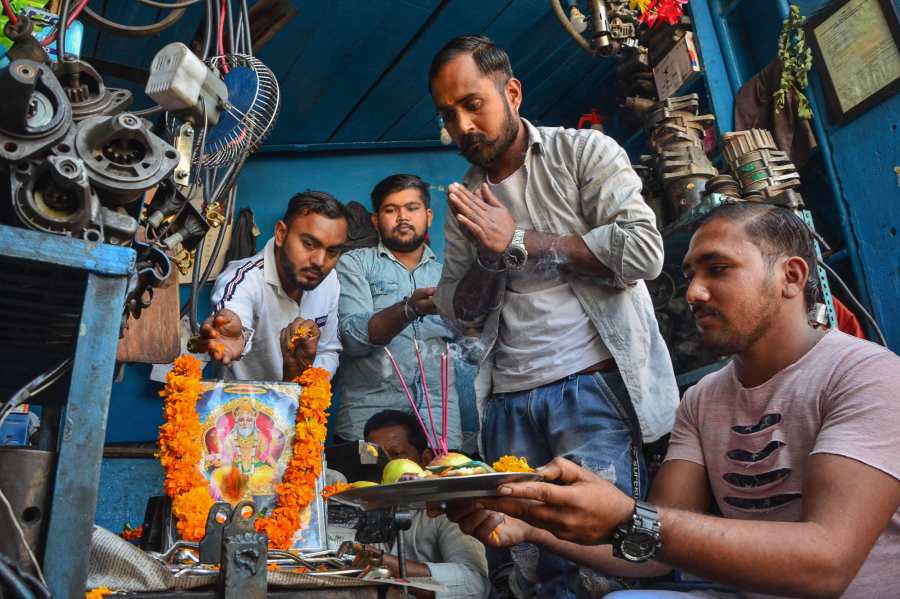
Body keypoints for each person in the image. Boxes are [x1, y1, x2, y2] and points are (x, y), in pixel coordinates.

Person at [440, 203, 900, 599]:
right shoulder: (703, 399)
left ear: (791, 276)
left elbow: (828, 563)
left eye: (718, 269)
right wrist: (530, 525)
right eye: (690, 275)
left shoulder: (865, 376)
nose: (694, 292)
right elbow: (653, 553)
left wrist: (627, 516)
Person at [429, 35, 679, 596]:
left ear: (512, 93)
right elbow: (459, 312)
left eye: (473, 104)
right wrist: (490, 257)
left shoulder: (584, 153)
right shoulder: (464, 199)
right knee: (526, 572)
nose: (462, 125)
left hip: (591, 389)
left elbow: (643, 252)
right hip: (507, 402)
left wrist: (519, 240)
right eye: (448, 115)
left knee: (600, 567)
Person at [333, 174, 463, 448]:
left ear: (428, 216)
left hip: (439, 426)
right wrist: (409, 308)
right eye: (391, 210)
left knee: (445, 476)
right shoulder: (354, 264)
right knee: (365, 476)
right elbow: (353, 341)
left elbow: (471, 344)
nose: (403, 217)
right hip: (367, 425)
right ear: (375, 220)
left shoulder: (448, 275)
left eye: (412, 208)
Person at [194, 191, 348, 381]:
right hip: (241, 400)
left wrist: (307, 381)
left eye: (332, 251)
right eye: (309, 244)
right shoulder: (243, 279)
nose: (320, 261)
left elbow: (328, 351)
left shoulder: (329, 280)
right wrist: (237, 336)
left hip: (303, 398)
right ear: (281, 234)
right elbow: (234, 314)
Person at [363, 410, 489, 599]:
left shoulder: (449, 509)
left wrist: (385, 562)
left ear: (425, 459)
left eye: (396, 455)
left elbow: (474, 583)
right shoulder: (365, 504)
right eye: (376, 457)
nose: (385, 465)